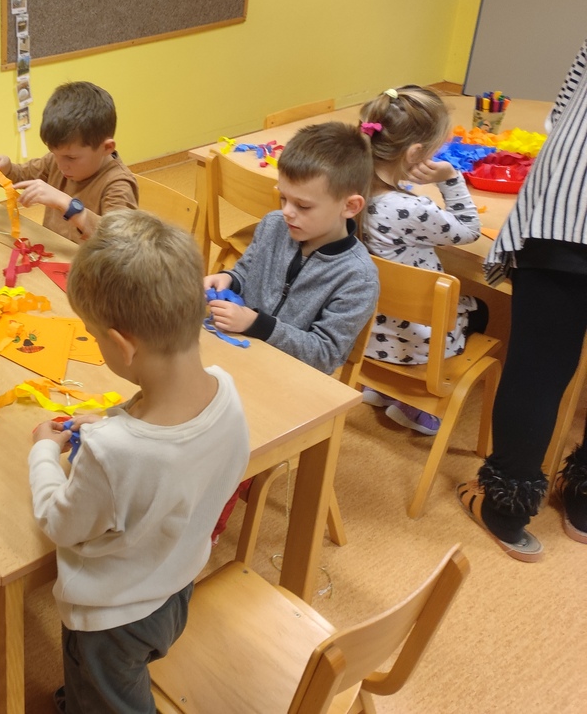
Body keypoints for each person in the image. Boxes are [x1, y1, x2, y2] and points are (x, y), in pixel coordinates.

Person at [30, 211, 249, 714]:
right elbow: (174, 447)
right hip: (174, 585)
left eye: (93, 334)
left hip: (113, 619)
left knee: (109, 693)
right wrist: (114, 418)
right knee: (100, 688)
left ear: (121, 345)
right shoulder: (225, 390)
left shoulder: (112, 451)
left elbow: (60, 523)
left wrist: (42, 451)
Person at [460, 38, 587, 562]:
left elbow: (564, 112)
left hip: (569, 214)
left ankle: (505, 509)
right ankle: (583, 506)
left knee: (538, 368)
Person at [357, 85, 487, 435]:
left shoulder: (347, 187)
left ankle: (379, 385)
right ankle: (417, 404)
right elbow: (469, 230)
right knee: (481, 309)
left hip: (364, 331)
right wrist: (450, 178)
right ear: (415, 153)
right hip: (417, 345)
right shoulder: (411, 208)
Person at [204, 122, 379, 376]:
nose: (286, 212)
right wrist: (229, 279)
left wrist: (257, 324)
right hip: (240, 354)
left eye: (303, 206)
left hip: (290, 377)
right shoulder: (273, 225)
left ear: (350, 206)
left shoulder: (358, 277)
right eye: (283, 198)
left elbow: (325, 355)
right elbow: (246, 272)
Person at [0, 81, 138, 242]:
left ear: (107, 148)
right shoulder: (56, 161)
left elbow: (120, 240)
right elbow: (23, 175)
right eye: (55, 154)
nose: (61, 166)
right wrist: (6, 169)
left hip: (87, 259)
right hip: (52, 251)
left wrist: (67, 204)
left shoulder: (119, 184)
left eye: (71, 158)